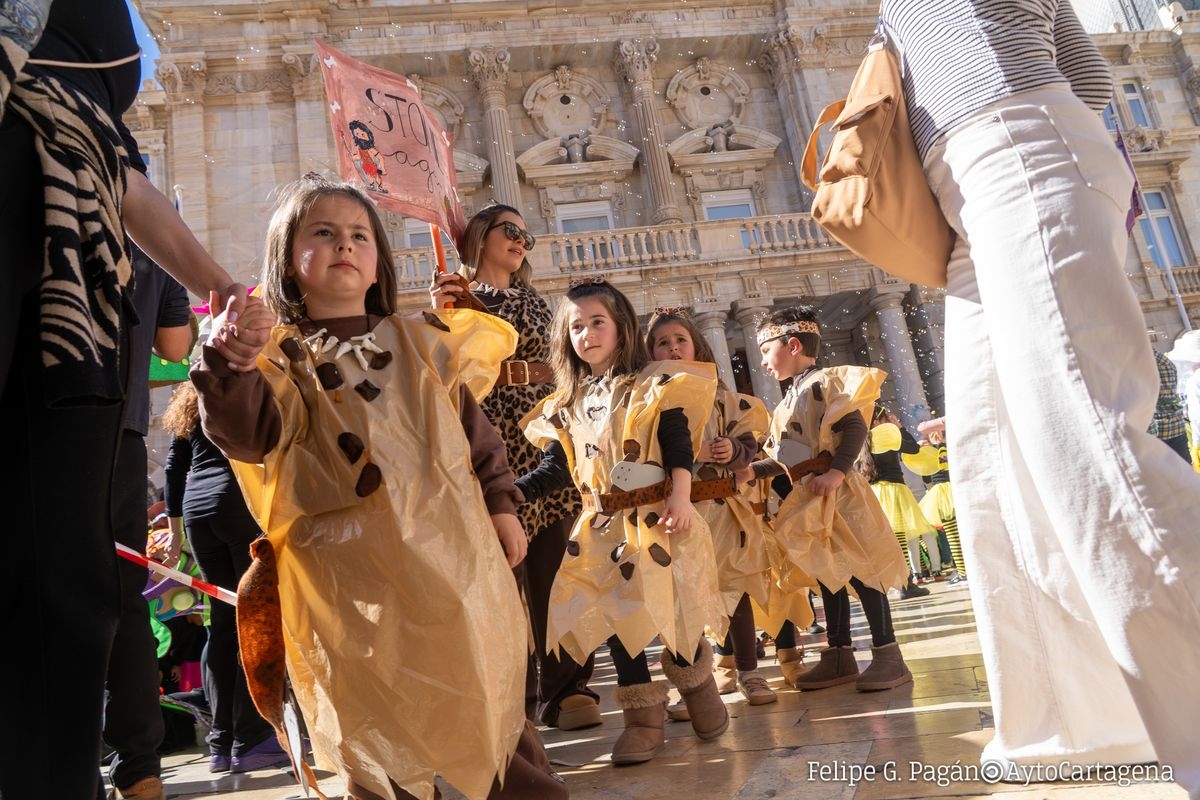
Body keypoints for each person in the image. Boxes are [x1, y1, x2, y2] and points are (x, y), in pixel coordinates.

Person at [880, 1, 1200, 790]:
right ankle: (1078, 724)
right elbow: (1087, 73)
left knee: (1086, 437)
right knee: (996, 468)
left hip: (1016, 142)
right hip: (976, 178)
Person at [191, 173, 565, 800]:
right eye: (325, 233)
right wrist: (231, 360)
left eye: (360, 235)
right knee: (370, 720)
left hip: (453, 561)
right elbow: (248, 435)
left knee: (489, 704)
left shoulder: (424, 343)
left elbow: (476, 437)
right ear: (288, 257)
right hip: (344, 581)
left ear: (378, 262)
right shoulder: (278, 360)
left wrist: (501, 504)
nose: (344, 244)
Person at [0, 4, 258, 798]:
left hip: (76, 327)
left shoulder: (86, 86)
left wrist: (221, 287)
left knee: (63, 583)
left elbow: (123, 179)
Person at [516, 279, 730, 765]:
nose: (587, 334)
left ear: (620, 329)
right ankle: (641, 718)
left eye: (598, 322)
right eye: (576, 326)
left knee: (672, 609)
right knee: (616, 620)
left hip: (656, 517)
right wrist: (514, 490)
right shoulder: (565, 403)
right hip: (601, 527)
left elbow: (677, 445)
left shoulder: (654, 386)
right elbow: (557, 468)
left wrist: (679, 496)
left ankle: (698, 687)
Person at [430, 204, 597, 732]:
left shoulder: (539, 300)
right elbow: (440, 366)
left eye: (526, 232)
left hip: (542, 424)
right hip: (486, 430)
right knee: (501, 573)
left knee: (555, 566)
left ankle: (568, 685)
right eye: (510, 229)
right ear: (480, 236)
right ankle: (514, 695)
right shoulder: (452, 297)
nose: (521, 239)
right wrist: (443, 314)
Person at [736, 306, 912, 693]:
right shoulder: (788, 401)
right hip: (810, 497)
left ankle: (888, 654)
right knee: (827, 575)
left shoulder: (825, 383)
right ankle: (838, 653)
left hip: (839, 493)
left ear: (793, 345)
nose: (762, 361)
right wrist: (750, 472)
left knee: (863, 570)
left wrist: (836, 472)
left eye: (766, 351)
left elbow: (853, 425)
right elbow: (785, 459)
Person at [646, 307, 777, 707]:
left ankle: (750, 672)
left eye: (680, 340)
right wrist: (695, 452)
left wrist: (733, 450)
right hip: (675, 510)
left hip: (721, 508)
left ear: (697, 345)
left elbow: (748, 444)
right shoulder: (648, 399)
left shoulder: (723, 397)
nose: (673, 347)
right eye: (663, 343)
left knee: (733, 591)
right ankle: (696, 682)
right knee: (684, 595)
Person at [104, 247, 196, 800]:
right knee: (123, 601)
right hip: (119, 433)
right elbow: (175, 345)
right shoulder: (151, 246)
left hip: (31, 428)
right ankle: (139, 772)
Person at [161, 380, 286, 775]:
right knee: (255, 624)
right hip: (238, 504)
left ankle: (221, 743)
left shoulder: (191, 398)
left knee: (222, 625)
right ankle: (253, 740)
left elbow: (173, 466)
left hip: (198, 512)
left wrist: (176, 532)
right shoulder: (251, 382)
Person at [859, 406, 936, 598]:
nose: (889, 420)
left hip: (876, 492)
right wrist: (899, 427)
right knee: (899, 540)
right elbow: (913, 447)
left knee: (892, 541)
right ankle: (905, 585)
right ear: (876, 422)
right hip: (892, 490)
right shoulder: (885, 435)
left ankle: (900, 582)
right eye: (886, 417)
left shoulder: (864, 439)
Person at [914, 417, 966, 584]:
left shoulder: (939, 449)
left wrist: (933, 449)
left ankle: (964, 572)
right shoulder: (944, 447)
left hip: (944, 493)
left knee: (953, 535)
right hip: (949, 491)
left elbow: (932, 473)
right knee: (957, 534)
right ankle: (963, 570)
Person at [1150, 349, 1190, 462]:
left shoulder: (1144, 363)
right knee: (1183, 473)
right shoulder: (1164, 361)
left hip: (1159, 430)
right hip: (1176, 427)